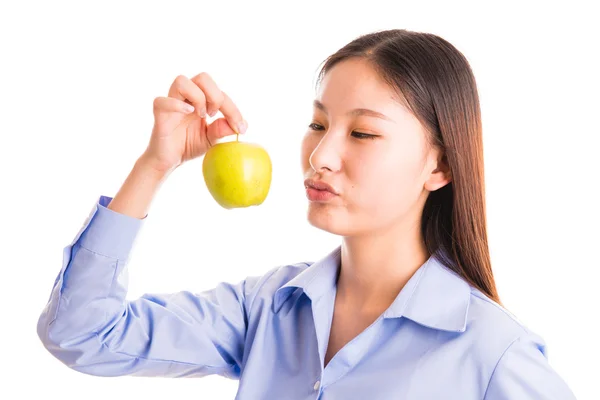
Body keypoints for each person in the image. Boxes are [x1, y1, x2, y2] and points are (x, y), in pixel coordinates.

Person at [37, 28, 577, 399]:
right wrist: (155, 166)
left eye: (362, 133)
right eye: (318, 125)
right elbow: (83, 334)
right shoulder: (268, 308)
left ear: (440, 167)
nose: (319, 157)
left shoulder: (493, 354)